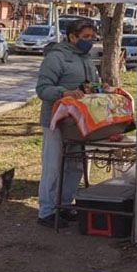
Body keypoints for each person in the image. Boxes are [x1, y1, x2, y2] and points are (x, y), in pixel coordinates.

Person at [35, 19, 99, 228]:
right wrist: (64, 93)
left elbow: (90, 83)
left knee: (75, 165)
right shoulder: (56, 58)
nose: (90, 41)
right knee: (53, 166)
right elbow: (43, 89)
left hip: (79, 122)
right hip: (57, 121)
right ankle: (47, 211)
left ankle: (64, 204)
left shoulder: (86, 58)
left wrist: (99, 88)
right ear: (72, 37)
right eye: (86, 37)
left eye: (92, 37)